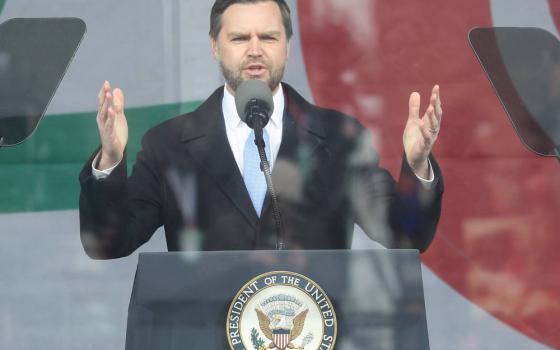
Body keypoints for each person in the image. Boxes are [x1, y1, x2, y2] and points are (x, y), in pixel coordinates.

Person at [79, 0, 444, 259]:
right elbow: (109, 243)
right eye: (239, 39)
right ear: (215, 47)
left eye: (268, 38)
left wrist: (417, 167)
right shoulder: (169, 144)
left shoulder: (339, 138)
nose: (254, 50)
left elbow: (405, 234)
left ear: (287, 47)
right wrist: (110, 160)